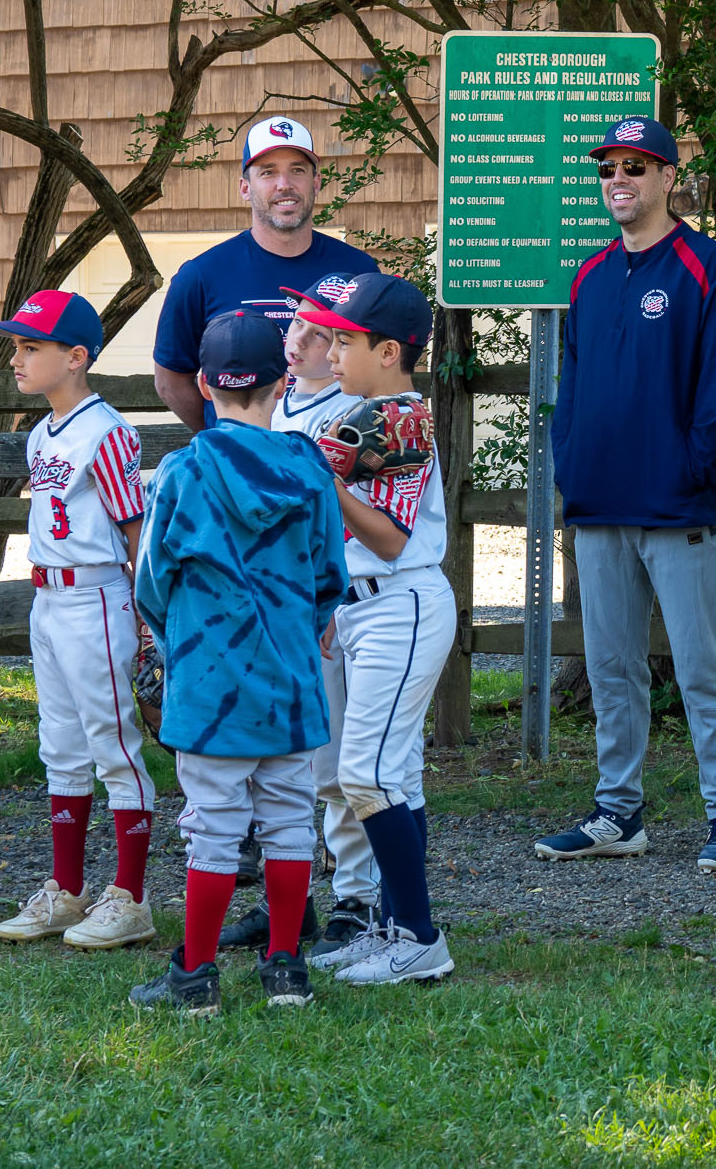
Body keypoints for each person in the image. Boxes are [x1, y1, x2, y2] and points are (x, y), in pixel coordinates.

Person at [537, 115, 716, 872]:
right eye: (608, 169)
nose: (619, 180)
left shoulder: (708, 266)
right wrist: (571, 464)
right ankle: (617, 812)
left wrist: (695, 468)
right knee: (611, 668)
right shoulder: (589, 277)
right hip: (600, 506)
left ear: (668, 176)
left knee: (704, 668)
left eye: (635, 166)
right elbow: (571, 387)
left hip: (678, 505)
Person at [129, 311, 348, 1012]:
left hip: (210, 678)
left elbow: (151, 582)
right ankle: (286, 968)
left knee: (215, 826)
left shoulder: (183, 470)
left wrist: (174, 642)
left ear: (203, 384)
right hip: (291, 677)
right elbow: (330, 574)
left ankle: (195, 975)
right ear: (282, 383)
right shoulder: (310, 468)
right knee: (289, 819)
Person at [293, 273, 459, 985]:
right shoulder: (371, 412)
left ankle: (419, 938)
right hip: (365, 605)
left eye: (345, 341)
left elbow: (389, 540)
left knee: (366, 773)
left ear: (389, 351)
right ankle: (397, 927)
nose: (330, 353)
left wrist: (326, 485)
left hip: (402, 600)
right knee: (395, 776)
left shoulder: (403, 418)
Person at [0, 292, 159, 951]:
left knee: (113, 743)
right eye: (17, 346)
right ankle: (66, 889)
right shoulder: (43, 432)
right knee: (59, 744)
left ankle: (131, 896)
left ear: (77, 356)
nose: (17, 358)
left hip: (96, 597)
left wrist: (146, 616)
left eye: (32, 347)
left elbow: (135, 527)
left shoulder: (106, 430)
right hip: (49, 599)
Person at [263, 292, 380, 960]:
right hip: (281, 600)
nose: (300, 341)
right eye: (297, 326)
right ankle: (289, 899)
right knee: (293, 759)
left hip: (332, 598)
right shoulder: (274, 404)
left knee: (341, 760)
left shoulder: (350, 411)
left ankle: (356, 895)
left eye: (320, 332)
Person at [152, 114, 377, 430]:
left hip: (332, 456)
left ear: (316, 182)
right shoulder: (200, 276)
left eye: (297, 170)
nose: (284, 184)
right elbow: (170, 380)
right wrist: (222, 436)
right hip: (240, 456)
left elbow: (378, 370)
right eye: (268, 172)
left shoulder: (360, 273)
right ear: (245, 187)